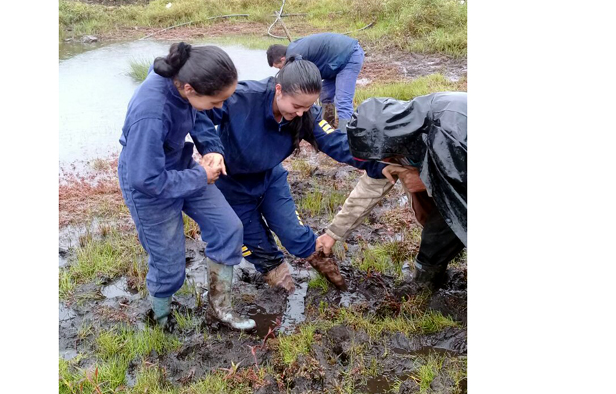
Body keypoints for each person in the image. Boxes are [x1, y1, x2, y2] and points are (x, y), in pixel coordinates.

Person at [190, 56, 386, 294]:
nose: (303, 113)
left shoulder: (306, 114)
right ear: (279, 90)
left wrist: (378, 165)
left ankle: (335, 279)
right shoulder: (242, 97)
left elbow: (336, 143)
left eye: (307, 107)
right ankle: (284, 288)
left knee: (294, 235)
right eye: (297, 106)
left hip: (270, 180)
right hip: (233, 188)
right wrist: (211, 149)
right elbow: (197, 112)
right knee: (260, 249)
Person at [117, 42, 255, 331]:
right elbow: (147, 179)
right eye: (217, 102)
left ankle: (220, 308)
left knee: (228, 228)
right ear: (190, 89)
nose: (220, 108)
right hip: (148, 184)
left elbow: (200, 114)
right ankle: (160, 319)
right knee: (169, 265)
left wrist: (212, 148)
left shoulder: (185, 79)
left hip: (181, 168)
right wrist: (201, 176)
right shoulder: (150, 113)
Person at [315, 92, 467, 289]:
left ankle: (430, 292)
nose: (382, 162)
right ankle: (425, 283)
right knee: (437, 234)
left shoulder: (446, 132)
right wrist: (332, 234)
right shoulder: (394, 141)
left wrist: (428, 179)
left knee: (448, 227)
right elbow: (369, 187)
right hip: (455, 189)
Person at [266, 33, 364, 133]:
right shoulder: (294, 49)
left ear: (283, 59)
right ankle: (327, 127)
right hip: (334, 62)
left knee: (343, 101)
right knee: (326, 96)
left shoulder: (295, 57)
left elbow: (301, 81)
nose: (281, 70)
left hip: (349, 56)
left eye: (279, 67)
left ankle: (346, 137)